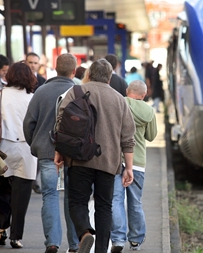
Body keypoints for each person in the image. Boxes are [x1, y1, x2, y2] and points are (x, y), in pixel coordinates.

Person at [54, 58, 136, 253]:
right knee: (104, 207)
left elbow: (60, 124)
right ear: (109, 77)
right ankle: (101, 250)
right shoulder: (119, 99)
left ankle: (84, 233)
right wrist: (129, 168)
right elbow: (128, 138)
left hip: (78, 157)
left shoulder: (74, 92)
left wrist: (59, 151)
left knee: (77, 201)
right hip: (108, 161)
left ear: (88, 74)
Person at [23, 53, 80, 253]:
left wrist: (36, 144)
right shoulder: (79, 90)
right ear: (74, 71)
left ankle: (53, 243)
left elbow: (29, 123)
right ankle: (74, 245)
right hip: (74, 155)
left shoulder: (41, 91)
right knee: (72, 197)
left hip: (47, 153)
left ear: (55, 69)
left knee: (49, 195)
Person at [0, 62, 37, 249]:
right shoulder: (32, 98)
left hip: (3, 148)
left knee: (3, 189)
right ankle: (16, 236)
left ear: (10, 76)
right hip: (27, 150)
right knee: (21, 195)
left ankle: (2, 228)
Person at [110, 80, 157, 252]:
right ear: (144, 95)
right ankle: (136, 239)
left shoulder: (119, 102)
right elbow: (151, 136)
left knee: (116, 200)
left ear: (127, 91)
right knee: (135, 201)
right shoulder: (149, 111)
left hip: (116, 159)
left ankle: (118, 239)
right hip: (137, 162)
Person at [25, 52, 46, 194]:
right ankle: (28, 179)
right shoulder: (20, 79)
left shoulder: (43, 81)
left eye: (35, 63)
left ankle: (34, 179)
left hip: (38, 121)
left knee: (35, 152)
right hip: (23, 119)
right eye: (30, 62)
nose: (32, 65)